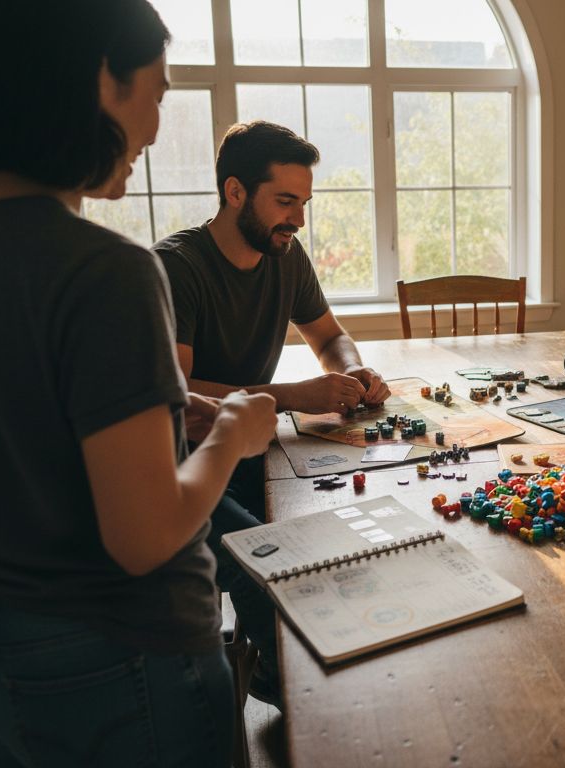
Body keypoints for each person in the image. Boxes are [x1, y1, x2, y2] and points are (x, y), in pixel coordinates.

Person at [0, 2, 276, 765]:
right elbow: (145, 538)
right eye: (158, 93)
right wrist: (232, 431)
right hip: (122, 668)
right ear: (102, 79)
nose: (158, 129)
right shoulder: (109, 271)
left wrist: (158, 416)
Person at [152, 120, 391, 705]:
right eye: (285, 202)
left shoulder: (285, 252)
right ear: (235, 192)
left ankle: (309, 666)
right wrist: (288, 395)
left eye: (304, 203)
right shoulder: (176, 266)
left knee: (341, 525)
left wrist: (351, 368)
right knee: (268, 559)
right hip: (182, 467)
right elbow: (177, 390)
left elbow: (330, 336)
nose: (298, 220)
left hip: (257, 449)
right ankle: (297, 693)